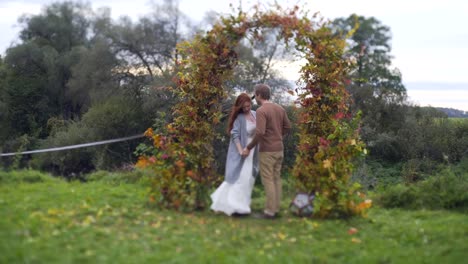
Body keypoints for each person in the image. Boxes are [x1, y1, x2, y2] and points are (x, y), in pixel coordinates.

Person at [242, 84, 291, 219]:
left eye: (255, 95)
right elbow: (288, 126)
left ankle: (270, 212)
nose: (255, 98)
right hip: (279, 149)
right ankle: (275, 208)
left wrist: (248, 147)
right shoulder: (280, 108)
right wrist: (278, 136)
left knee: (268, 180)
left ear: (258, 95)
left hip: (267, 151)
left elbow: (260, 133)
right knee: (276, 179)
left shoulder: (261, 110)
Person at [210, 93, 259, 216]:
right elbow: (235, 135)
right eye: (244, 107)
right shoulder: (239, 118)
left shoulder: (255, 114)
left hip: (253, 151)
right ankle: (236, 207)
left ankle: (239, 205)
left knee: (248, 179)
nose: (246, 109)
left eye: (248, 106)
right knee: (239, 178)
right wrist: (240, 150)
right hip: (242, 151)